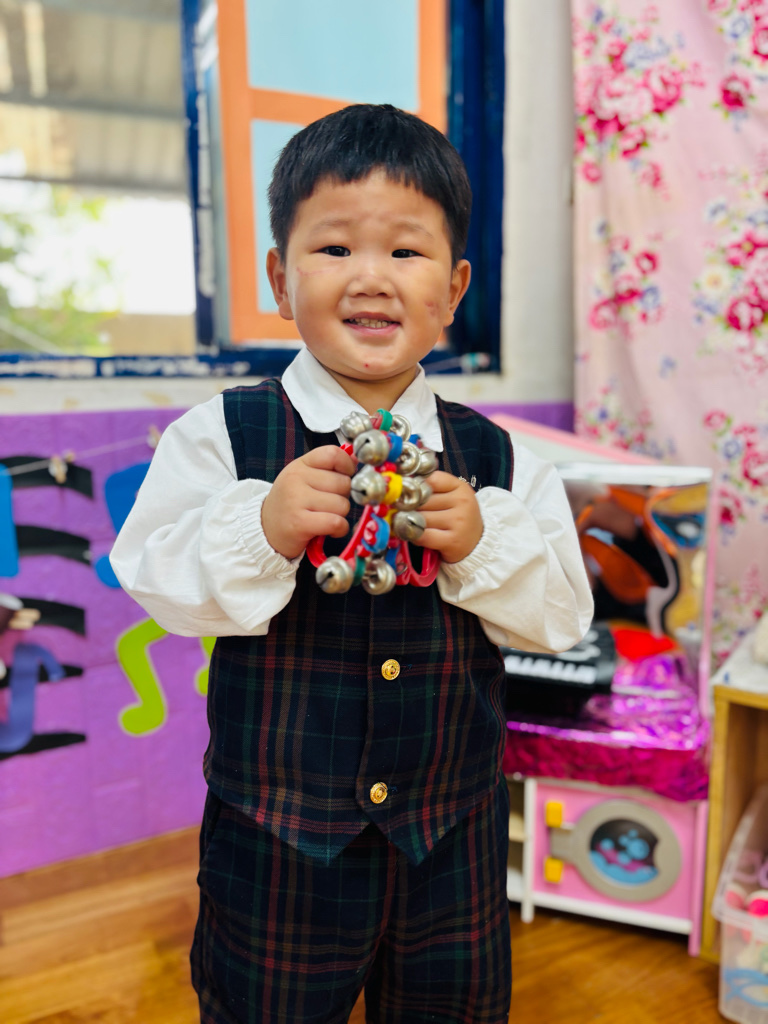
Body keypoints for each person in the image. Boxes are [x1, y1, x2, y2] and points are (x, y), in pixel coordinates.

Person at [110, 103, 593, 1024]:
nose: (371, 276)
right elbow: (156, 583)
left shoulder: (502, 462)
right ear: (280, 279)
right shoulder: (222, 435)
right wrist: (261, 525)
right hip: (276, 846)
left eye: (406, 251)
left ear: (453, 289)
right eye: (334, 248)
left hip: (451, 843)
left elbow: (563, 619)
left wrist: (483, 544)